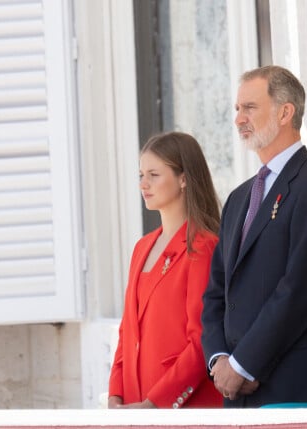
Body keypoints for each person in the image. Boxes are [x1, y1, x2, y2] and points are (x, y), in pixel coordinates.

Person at [201, 65, 307, 408]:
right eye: (237, 109)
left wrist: (243, 363)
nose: (239, 119)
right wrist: (220, 359)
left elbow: (299, 290)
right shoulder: (238, 198)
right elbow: (216, 293)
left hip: (294, 387)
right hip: (237, 395)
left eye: (249, 108)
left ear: (285, 112)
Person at [108, 132, 222, 408]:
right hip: (134, 407)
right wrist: (114, 395)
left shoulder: (203, 248)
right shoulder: (142, 247)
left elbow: (201, 341)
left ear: (183, 178)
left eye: (154, 175)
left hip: (182, 409)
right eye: (140, 175)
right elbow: (127, 332)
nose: (143, 184)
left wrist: (155, 404)